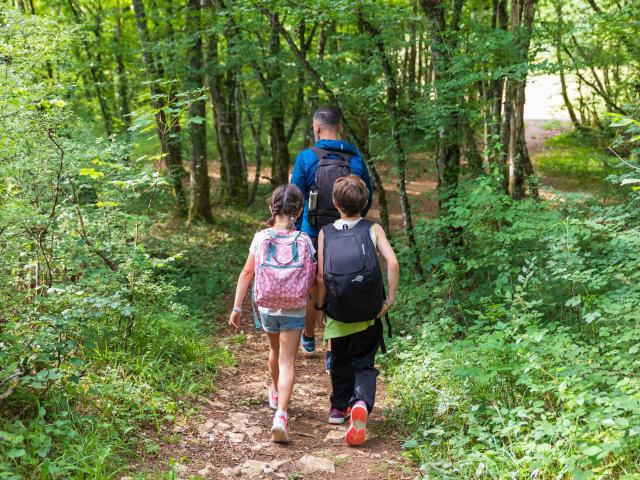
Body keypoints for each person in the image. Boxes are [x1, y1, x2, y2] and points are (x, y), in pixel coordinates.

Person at [315, 175, 399, 447]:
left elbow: (320, 278)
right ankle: (361, 402)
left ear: (335, 203)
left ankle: (339, 408)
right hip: (368, 312)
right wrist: (389, 301)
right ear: (365, 202)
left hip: (338, 312)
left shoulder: (325, 232)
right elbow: (393, 264)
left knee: (339, 361)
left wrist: (320, 308)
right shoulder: (373, 229)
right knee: (363, 362)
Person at [228, 184, 316, 443]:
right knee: (288, 360)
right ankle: (281, 414)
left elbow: (247, 273)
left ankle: (275, 392)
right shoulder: (304, 240)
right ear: (298, 211)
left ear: (272, 208)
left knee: (274, 352)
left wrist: (236, 307)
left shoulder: (261, 237)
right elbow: (313, 277)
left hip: (266, 306)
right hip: (295, 306)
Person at [291, 106, 373, 364]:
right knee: (340, 282)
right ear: (340, 127)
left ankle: (307, 336)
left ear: (316, 128)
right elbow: (366, 196)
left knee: (312, 284)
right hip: (346, 230)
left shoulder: (306, 157)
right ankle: (332, 347)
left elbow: (295, 196)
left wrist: (295, 231)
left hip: (312, 229)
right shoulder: (355, 159)